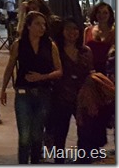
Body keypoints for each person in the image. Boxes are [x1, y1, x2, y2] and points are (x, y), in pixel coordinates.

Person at [0, 11, 63, 164]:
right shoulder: (19, 44)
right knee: (24, 136)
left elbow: (59, 71)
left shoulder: (49, 45)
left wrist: (42, 77)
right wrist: (3, 89)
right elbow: (10, 67)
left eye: (43, 24)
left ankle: (35, 162)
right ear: (28, 26)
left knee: (37, 135)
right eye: (37, 24)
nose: (42, 28)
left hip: (43, 93)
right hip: (23, 93)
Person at [46, 19, 93, 164]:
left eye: (75, 29)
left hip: (81, 97)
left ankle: (82, 160)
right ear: (62, 32)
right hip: (61, 97)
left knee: (84, 132)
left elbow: (90, 71)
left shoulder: (85, 51)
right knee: (59, 133)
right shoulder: (56, 50)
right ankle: (58, 161)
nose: (72, 33)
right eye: (68, 29)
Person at [84, 2, 115, 74]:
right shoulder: (87, 30)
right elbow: (84, 51)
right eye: (99, 12)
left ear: (110, 15)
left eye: (105, 13)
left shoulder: (115, 32)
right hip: (91, 70)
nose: (102, 15)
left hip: (110, 71)